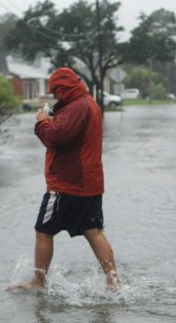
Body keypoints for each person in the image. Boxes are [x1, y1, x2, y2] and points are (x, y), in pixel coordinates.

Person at [22, 67, 121, 291]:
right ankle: (114, 282)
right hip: (90, 183)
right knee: (94, 232)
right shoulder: (87, 103)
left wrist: (42, 122)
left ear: (63, 88)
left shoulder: (77, 107)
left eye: (56, 91)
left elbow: (54, 136)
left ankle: (38, 282)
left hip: (68, 184)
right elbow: (68, 131)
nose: (56, 96)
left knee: (43, 231)